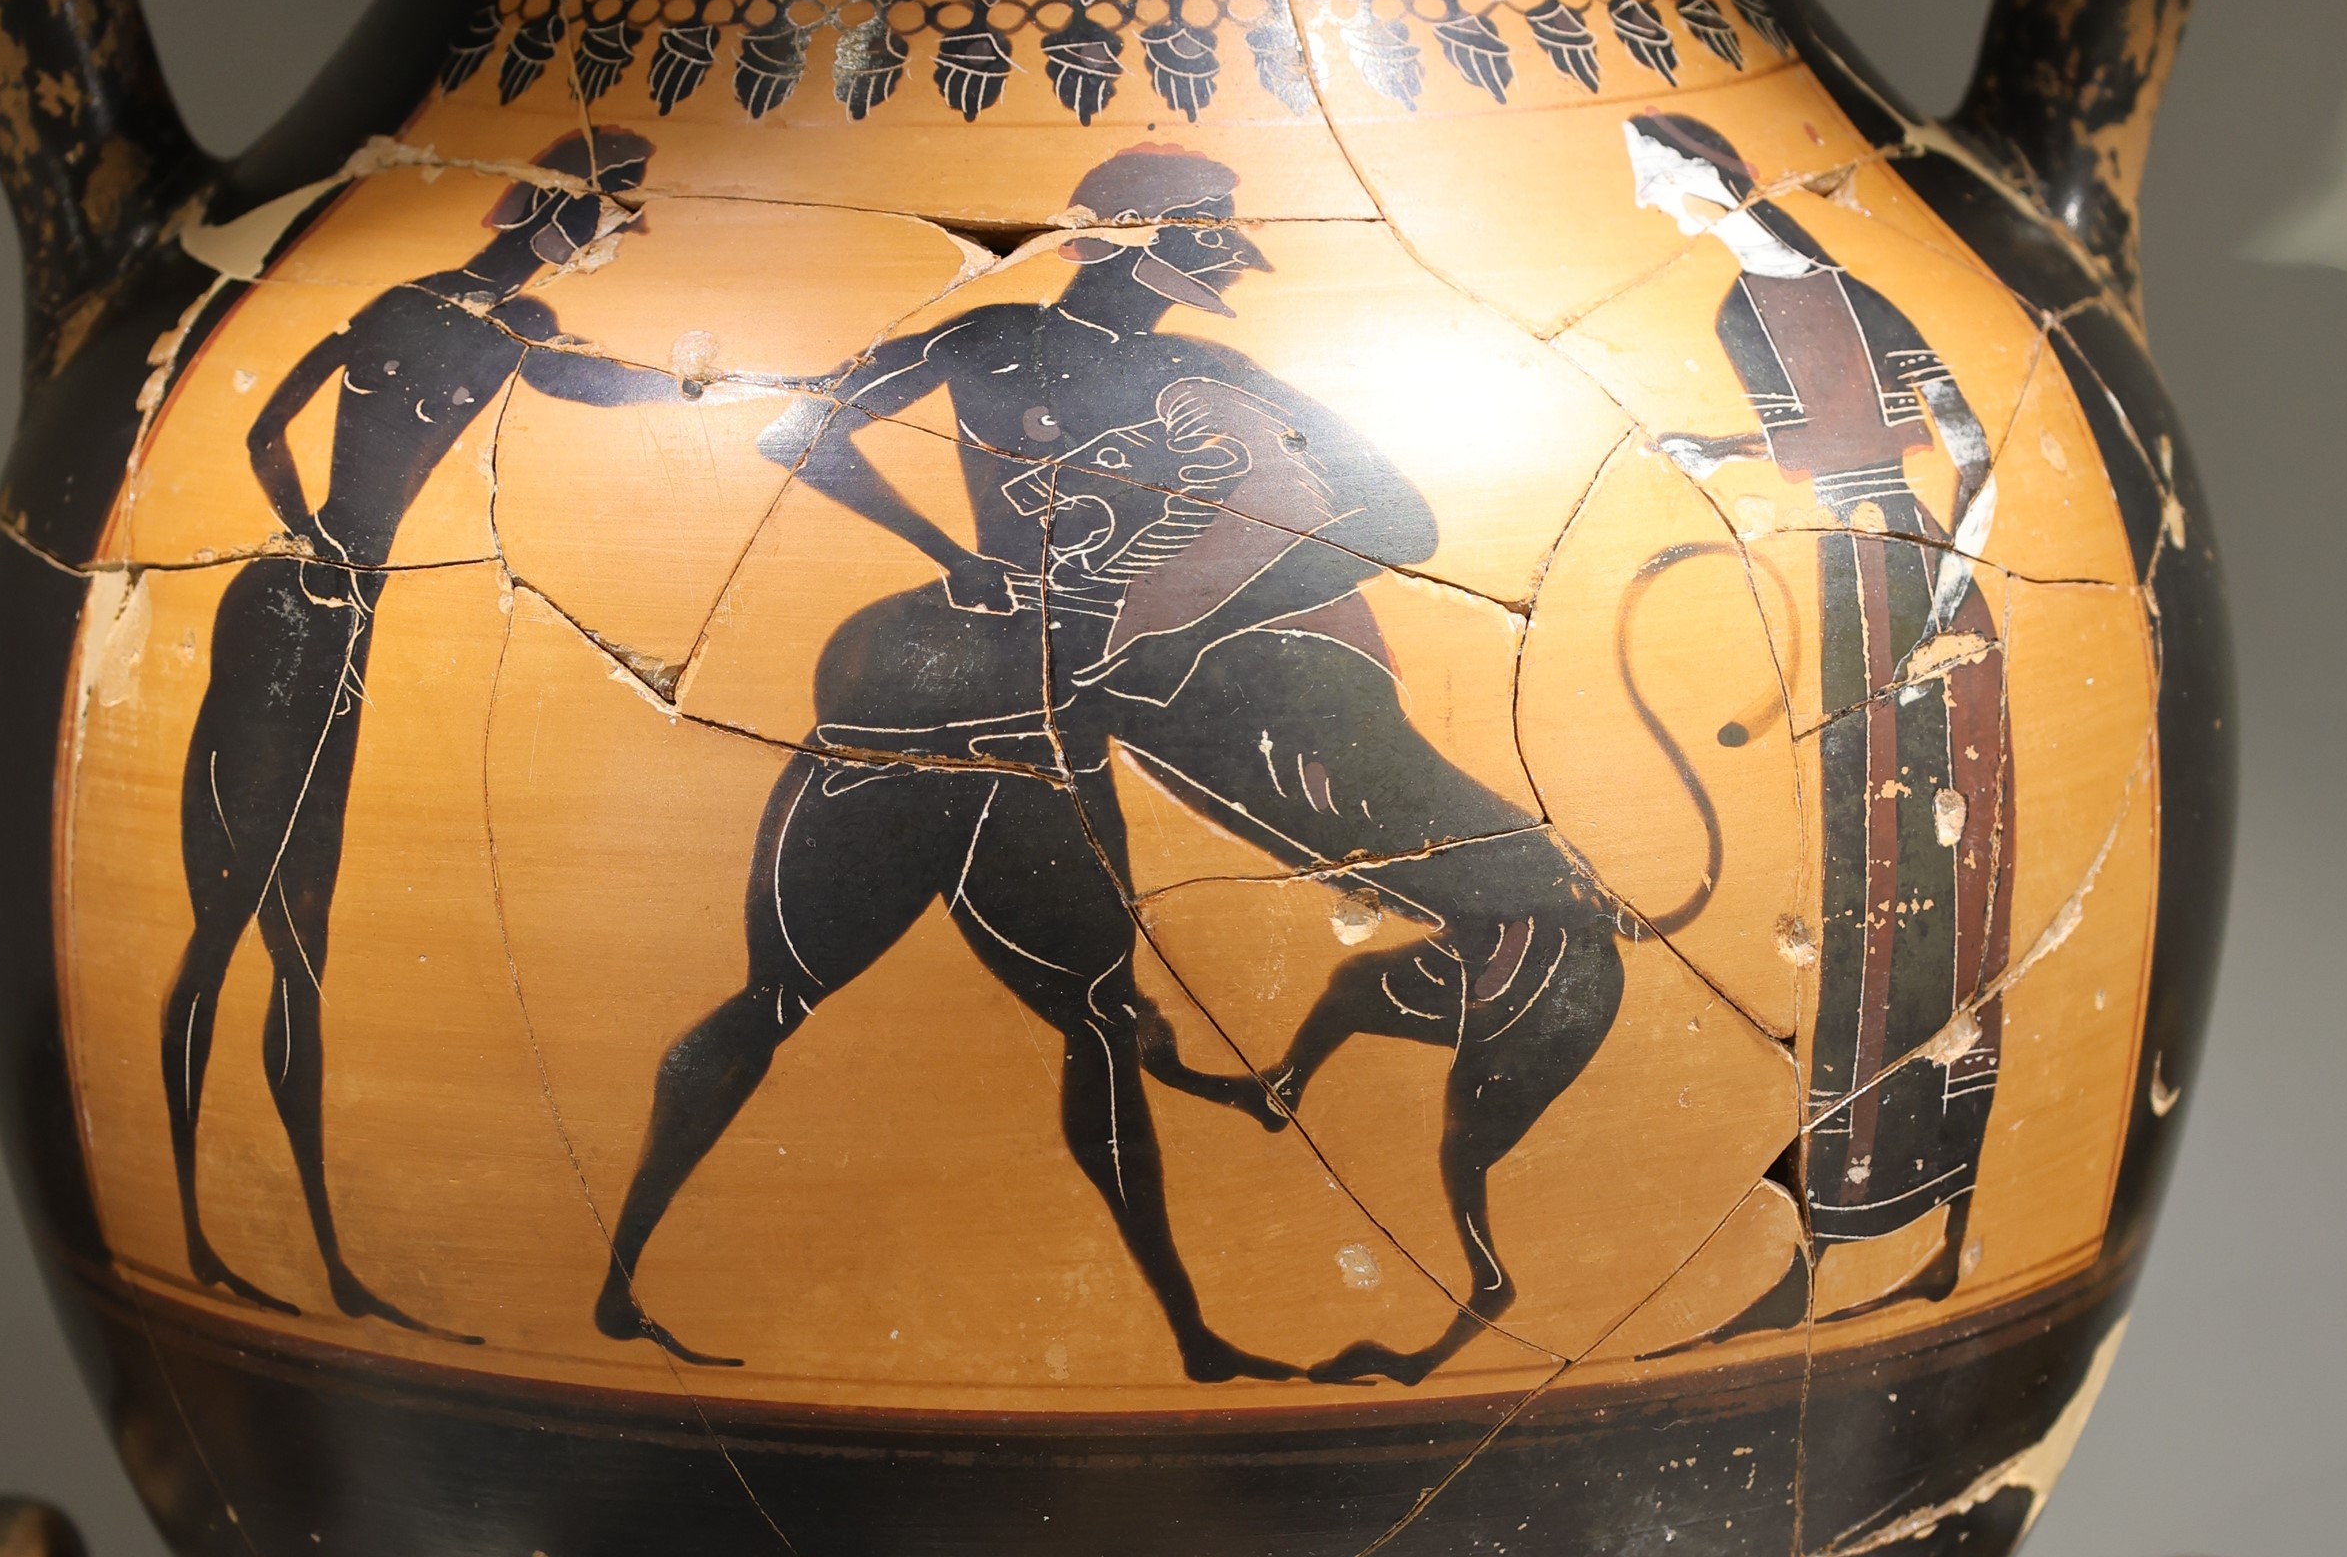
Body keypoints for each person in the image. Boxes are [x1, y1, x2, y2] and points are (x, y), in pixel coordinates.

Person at [597, 146, 1625, 1384]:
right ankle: (615, 1284)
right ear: (1125, 237)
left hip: (1054, 713)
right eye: (1204, 230)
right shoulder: (996, 338)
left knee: (1090, 1020)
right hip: (950, 700)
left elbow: (1400, 519)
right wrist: (951, 551)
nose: (1222, 257)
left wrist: (1197, 618)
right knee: (790, 997)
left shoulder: (1209, 376)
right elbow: (794, 425)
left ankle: (1191, 1342)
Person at [162, 129, 707, 1328]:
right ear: (554, 204)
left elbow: (580, 385)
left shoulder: (511, 328)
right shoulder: (412, 301)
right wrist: (317, 545)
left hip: (342, 612)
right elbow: (263, 436)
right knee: (234, 911)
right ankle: (195, 1231)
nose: (622, 229)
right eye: (611, 206)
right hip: (299, 611)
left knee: (301, 937)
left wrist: (701, 385)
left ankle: (328, 1264)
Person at [1624, 112, 2013, 1320]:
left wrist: (1946, 586)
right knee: (1854, 896)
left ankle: (1949, 1222)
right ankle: (1835, 1225)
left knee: (1939, 895)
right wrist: (1721, 447)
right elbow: (1812, 442)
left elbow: (1968, 445)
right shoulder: (1733, 315)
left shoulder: (1858, 291)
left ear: (1716, 174)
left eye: (1664, 184)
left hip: (1912, 583)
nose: (1657, 207)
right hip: (1845, 589)